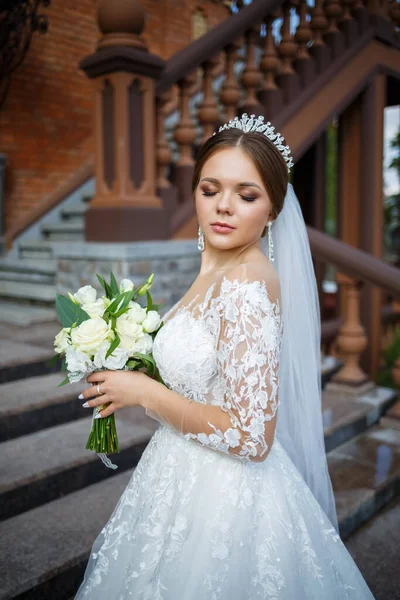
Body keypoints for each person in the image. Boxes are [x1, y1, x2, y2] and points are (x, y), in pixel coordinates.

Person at [74, 114, 375, 599]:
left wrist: (145, 392)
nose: (224, 207)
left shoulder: (245, 284)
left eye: (247, 194)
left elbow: (252, 436)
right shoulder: (216, 269)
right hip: (177, 470)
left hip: (226, 498)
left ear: (273, 209)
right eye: (210, 189)